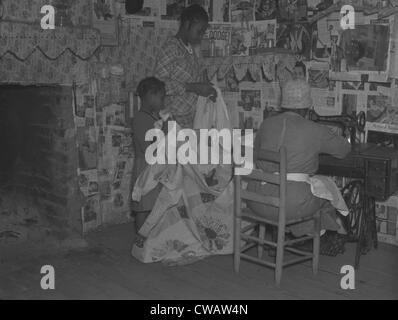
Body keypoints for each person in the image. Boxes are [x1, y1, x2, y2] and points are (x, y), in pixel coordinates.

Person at [247, 79, 351, 254]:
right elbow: (344, 150)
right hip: (290, 205)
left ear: (284, 104)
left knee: (312, 189)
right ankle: (321, 238)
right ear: (307, 107)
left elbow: (257, 155)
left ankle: (290, 236)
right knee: (327, 192)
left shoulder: (266, 124)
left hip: (256, 198)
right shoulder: (314, 130)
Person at [154, 4, 217, 129]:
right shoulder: (171, 48)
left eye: (203, 33)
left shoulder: (191, 50)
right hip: (172, 122)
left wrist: (208, 88)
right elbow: (157, 86)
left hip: (190, 121)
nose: (201, 37)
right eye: (199, 31)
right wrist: (192, 87)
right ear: (187, 24)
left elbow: (195, 78)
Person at [131, 77, 166, 233]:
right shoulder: (141, 119)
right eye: (161, 97)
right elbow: (149, 148)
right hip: (145, 168)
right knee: (143, 207)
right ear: (151, 96)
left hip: (154, 167)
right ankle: (140, 240)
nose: (163, 102)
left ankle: (149, 239)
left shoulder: (153, 118)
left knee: (152, 205)